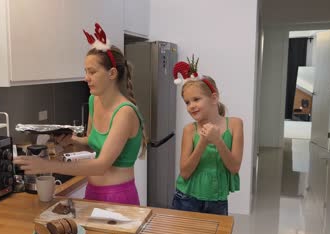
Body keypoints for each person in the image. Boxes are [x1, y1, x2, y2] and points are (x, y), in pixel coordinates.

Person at [14, 23, 146, 205]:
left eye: (92, 72)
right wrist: (74, 140)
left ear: (112, 73)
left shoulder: (125, 113)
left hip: (118, 196)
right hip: (92, 192)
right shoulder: (94, 100)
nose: (86, 78)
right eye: (85, 71)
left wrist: (46, 165)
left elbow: (101, 165)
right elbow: (92, 145)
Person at [171, 60, 243, 215]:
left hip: (217, 200)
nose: (191, 106)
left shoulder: (235, 125)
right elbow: (185, 172)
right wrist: (203, 142)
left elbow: (234, 167)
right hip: (186, 198)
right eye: (187, 102)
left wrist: (217, 140)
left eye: (196, 99)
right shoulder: (189, 130)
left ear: (214, 98)